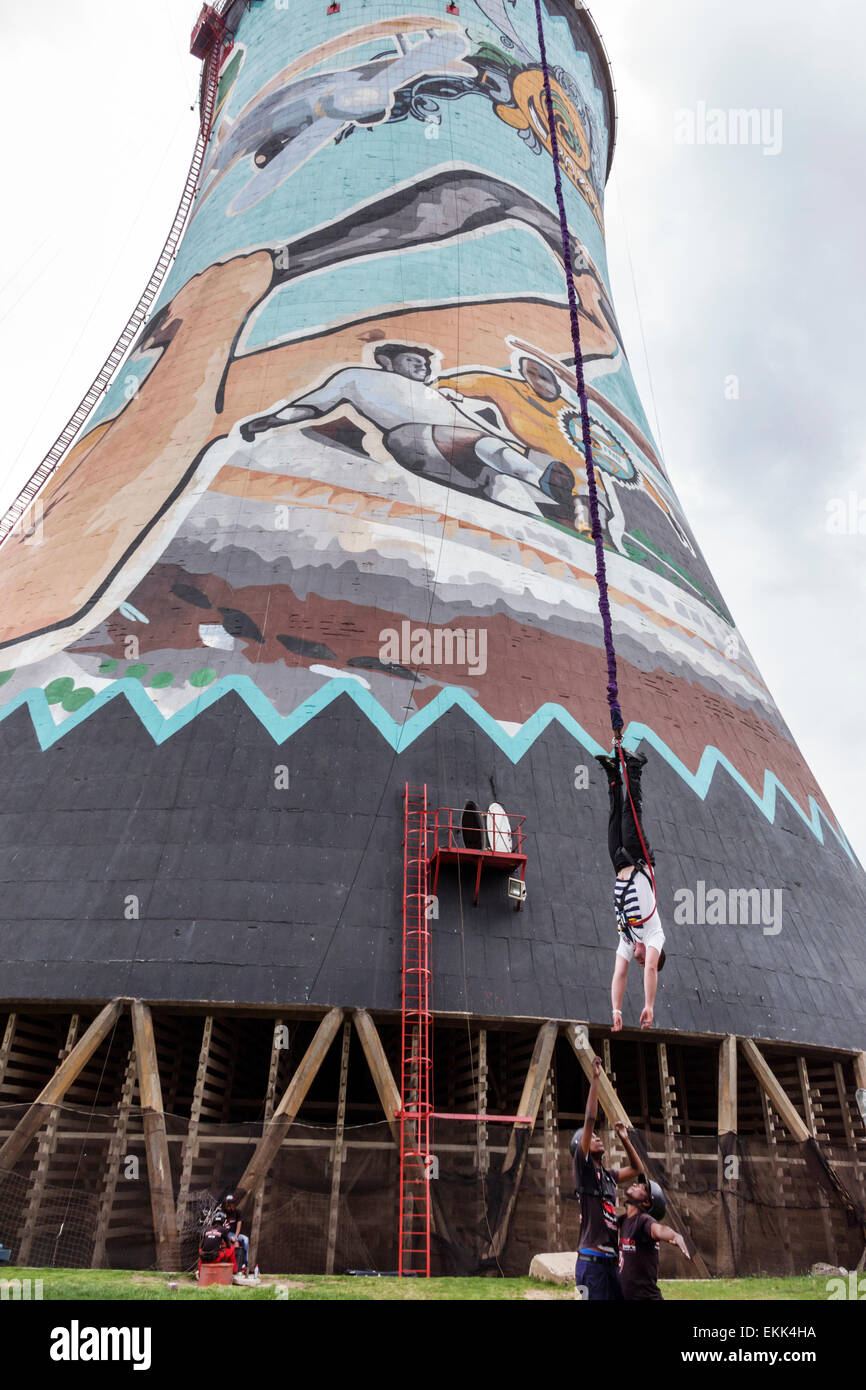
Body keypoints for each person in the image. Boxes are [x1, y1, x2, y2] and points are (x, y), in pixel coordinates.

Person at [239, 344, 573, 520]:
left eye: (425, 364)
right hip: (410, 439)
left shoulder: (435, 394)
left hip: (457, 449)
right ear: (387, 360)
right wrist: (272, 420)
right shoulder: (359, 377)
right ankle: (541, 478)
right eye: (415, 360)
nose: (424, 367)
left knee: (501, 484)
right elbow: (315, 405)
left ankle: (530, 519)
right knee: (485, 445)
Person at [596, 748, 665, 1031]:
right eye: (645, 959)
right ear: (653, 952)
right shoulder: (654, 935)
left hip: (619, 863)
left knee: (614, 815)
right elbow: (650, 968)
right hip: (638, 859)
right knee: (629, 811)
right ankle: (634, 767)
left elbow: (618, 974)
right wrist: (649, 1005)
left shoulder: (626, 939)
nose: (639, 961)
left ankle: (614, 773)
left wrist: (616, 1010)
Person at [572, 1056, 644, 1300]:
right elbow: (590, 1120)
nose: (598, 1138)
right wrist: (595, 1079)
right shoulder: (584, 1170)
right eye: (592, 1139)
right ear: (581, 1147)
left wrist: (625, 1139)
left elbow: (636, 1168)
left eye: (597, 1137)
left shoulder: (609, 1176)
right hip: (591, 1264)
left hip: (612, 1263)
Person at [618, 1176, 690, 1300]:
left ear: (646, 1202)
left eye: (643, 1188)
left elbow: (660, 1230)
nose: (636, 1184)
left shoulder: (644, 1220)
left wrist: (674, 1235)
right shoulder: (624, 1220)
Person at [223, 1193, 248, 1273]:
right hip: (227, 1234)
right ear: (227, 1204)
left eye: (233, 1203)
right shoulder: (223, 1212)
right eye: (230, 1203)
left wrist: (236, 1237)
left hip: (235, 1234)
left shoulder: (238, 1212)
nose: (232, 1205)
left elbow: (238, 1226)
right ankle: (235, 1266)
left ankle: (245, 1263)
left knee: (245, 1239)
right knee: (235, 1243)